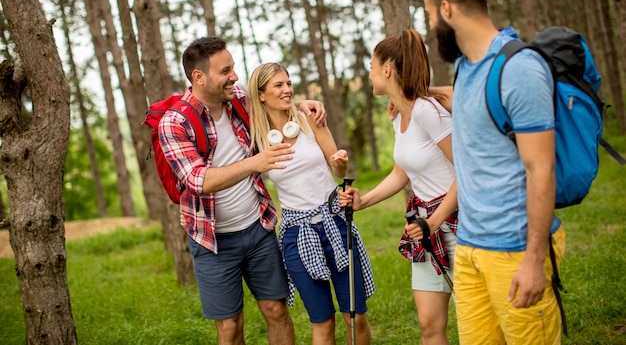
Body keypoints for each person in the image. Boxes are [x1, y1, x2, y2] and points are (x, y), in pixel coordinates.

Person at [419, 0, 566, 344]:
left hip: (515, 250)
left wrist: (535, 260)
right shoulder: (466, 68)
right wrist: (422, 94)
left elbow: (541, 170)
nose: (431, 23)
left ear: (447, 9)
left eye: (431, 13)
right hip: (469, 248)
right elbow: (476, 111)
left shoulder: (519, 68)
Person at [158, 37, 326, 345]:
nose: (234, 76)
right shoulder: (174, 123)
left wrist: (304, 105)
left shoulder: (236, 98)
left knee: (276, 310)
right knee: (231, 327)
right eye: (225, 70)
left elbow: (270, 98)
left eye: (233, 67)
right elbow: (198, 179)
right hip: (212, 241)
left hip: (257, 228)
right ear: (199, 77)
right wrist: (255, 163)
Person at [339, 28, 458, 345]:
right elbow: (400, 172)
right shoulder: (399, 116)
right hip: (424, 227)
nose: (369, 73)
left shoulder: (427, 111)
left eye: (372, 66)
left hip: (458, 224)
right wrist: (363, 202)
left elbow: (467, 172)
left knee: (479, 322)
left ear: (387, 69)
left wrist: (434, 221)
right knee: (428, 324)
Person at [246, 62, 375, 345]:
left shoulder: (308, 119)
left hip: (336, 224)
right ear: (262, 94)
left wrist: (341, 164)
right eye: (278, 85)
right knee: (322, 322)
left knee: (355, 316)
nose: (288, 89)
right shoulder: (256, 137)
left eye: (289, 83)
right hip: (297, 235)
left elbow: (338, 169)